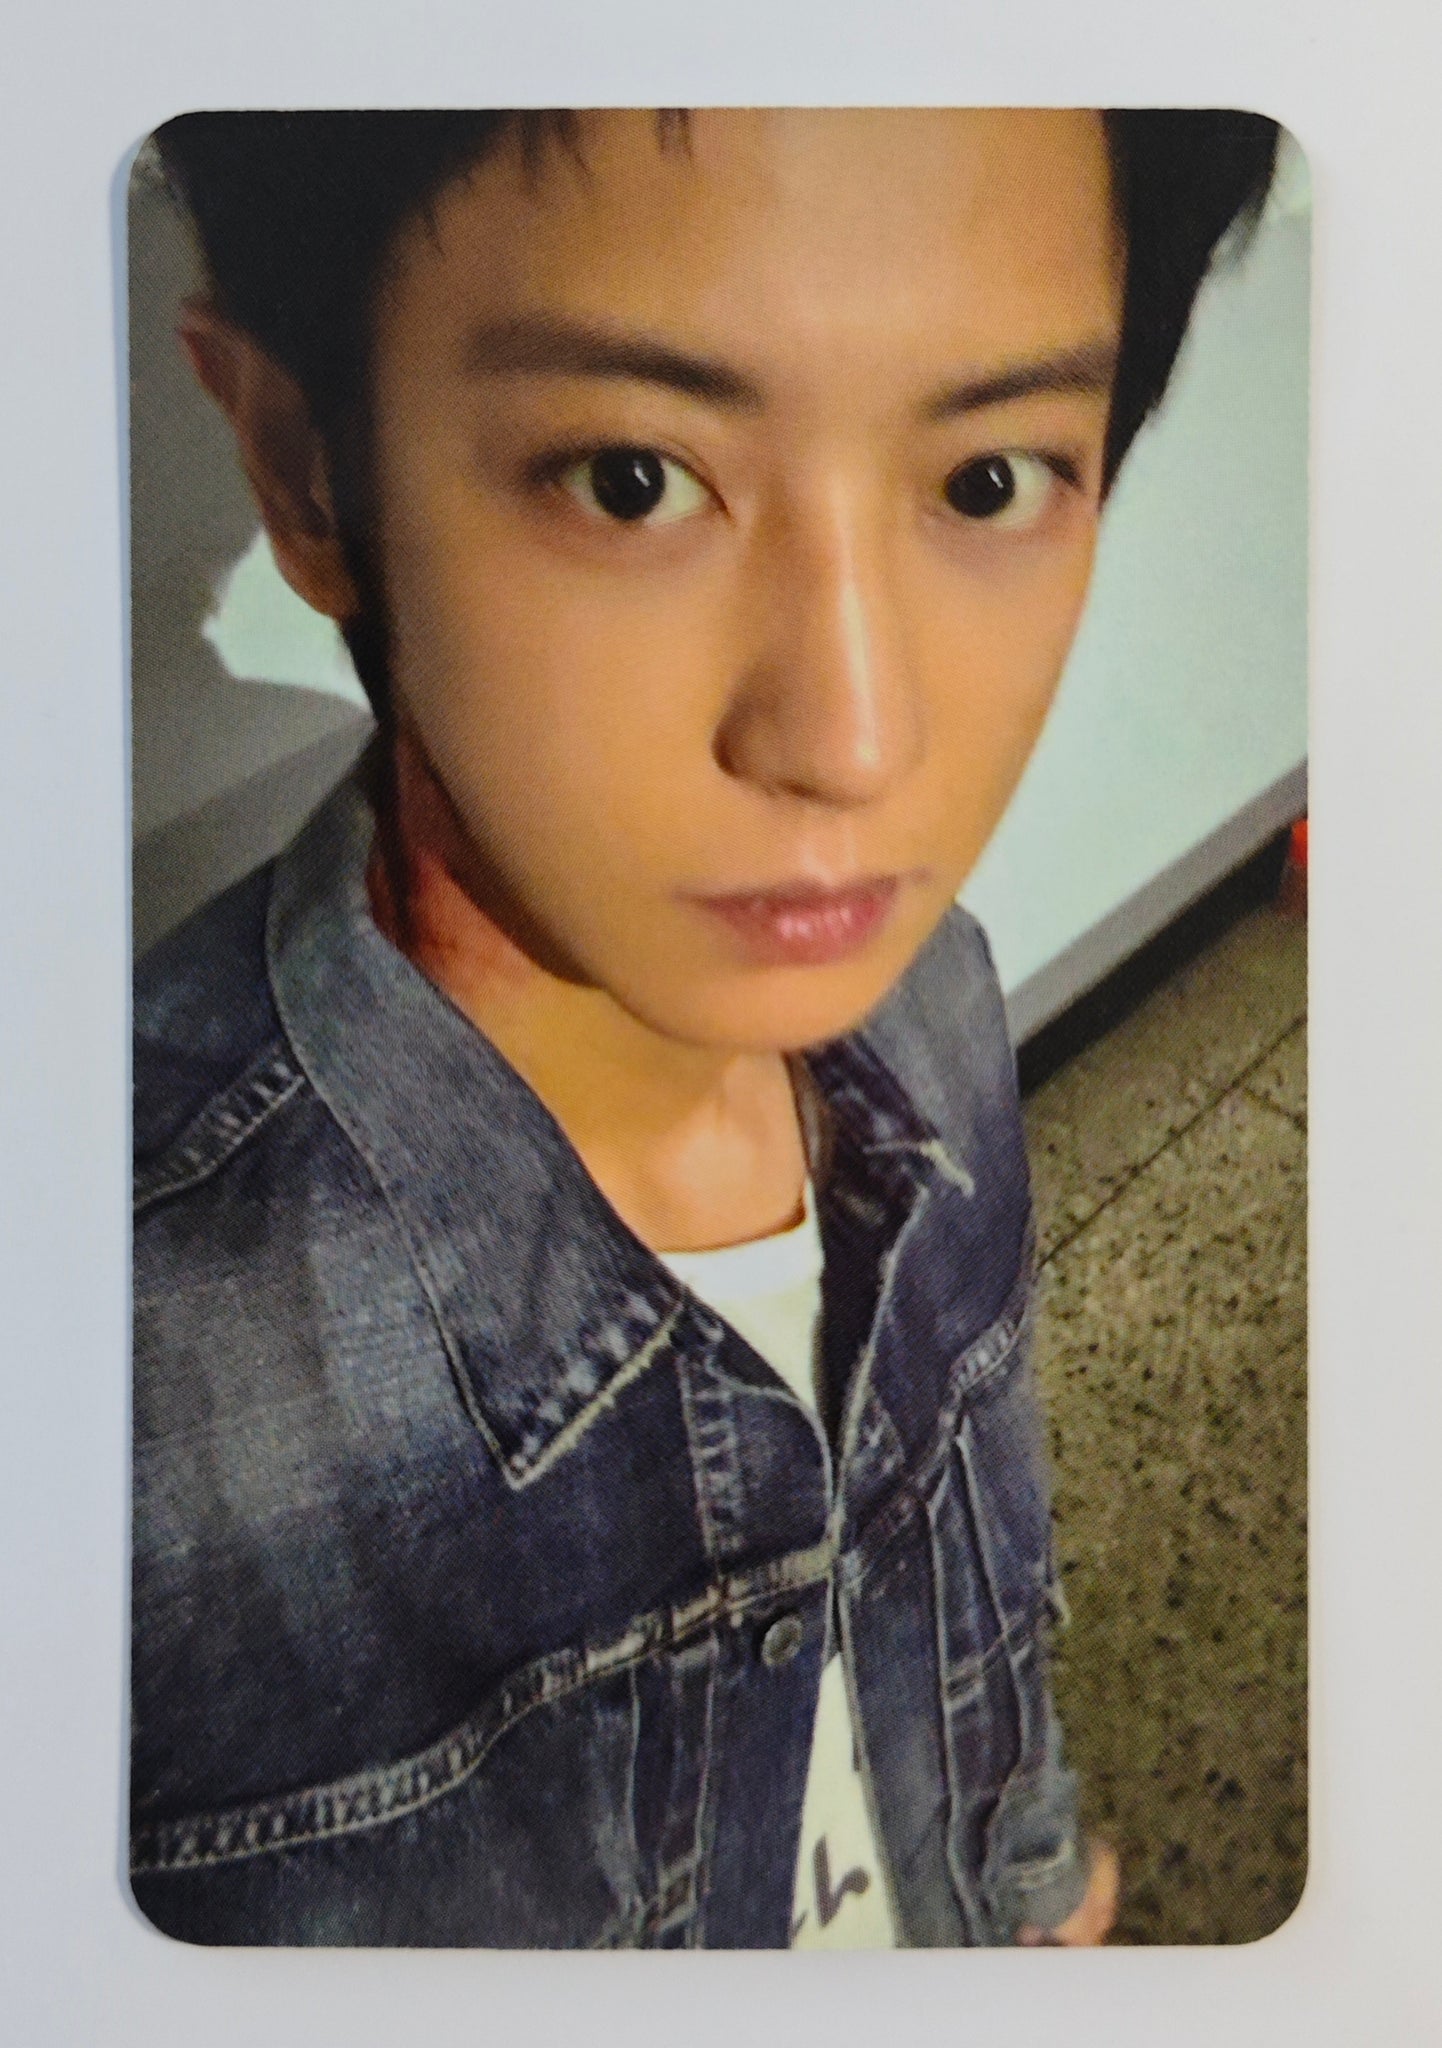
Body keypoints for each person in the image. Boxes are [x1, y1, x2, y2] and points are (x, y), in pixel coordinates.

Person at [130, 106, 1277, 1948]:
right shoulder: (125, 1386)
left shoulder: (935, 1005)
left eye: (988, 481)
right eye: (630, 481)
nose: (852, 740)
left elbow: (976, 1603)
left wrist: (1028, 1878)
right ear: (306, 466)